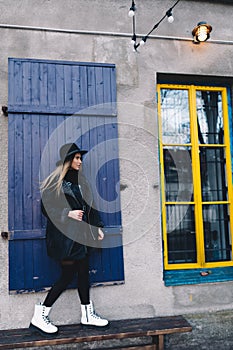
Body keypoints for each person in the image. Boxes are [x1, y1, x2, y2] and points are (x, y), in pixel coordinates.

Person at [30, 143, 108, 335]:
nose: (80, 161)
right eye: (77, 158)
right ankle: (41, 314)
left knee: (83, 273)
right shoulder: (57, 181)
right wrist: (68, 213)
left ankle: (86, 314)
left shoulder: (82, 182)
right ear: (68, 160)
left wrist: (98, 227)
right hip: (65, 238)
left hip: (81, 236)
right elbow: (46, 209)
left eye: (81, 158)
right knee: (67, 275)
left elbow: (91, 206)